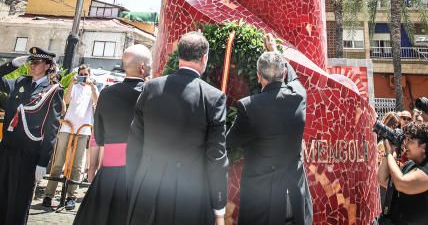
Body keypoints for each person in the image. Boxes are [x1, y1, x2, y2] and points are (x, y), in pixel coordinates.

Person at [126, 31, 228, 225]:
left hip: (146, 192)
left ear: (179, 54)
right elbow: (216, 156)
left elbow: (134, 143)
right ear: (204, 58)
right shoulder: (213, 98)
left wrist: (133, 186)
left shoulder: (150, 88)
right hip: (189, 199)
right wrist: (219, 209)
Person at [227, 33, 312, 225]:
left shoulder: (248, 107)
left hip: (260, 204)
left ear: (258, 77)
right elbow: (294, 77)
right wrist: (274, 51)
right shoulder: (299, 95)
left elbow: (229, 142)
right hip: (294, 199)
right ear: (283, 74)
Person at [74, 44, 152, 225]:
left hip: (108, 174)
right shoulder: (151, 94)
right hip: (140, 175)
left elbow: (99, 136)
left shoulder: (106, 93)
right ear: (142, 67)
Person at [0, 47, 63, 225]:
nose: (32, 66)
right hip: (6, 149)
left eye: (37, 62)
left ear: (48, 66)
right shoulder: (20, 82)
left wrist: (43, 162)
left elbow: (52, 128)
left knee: (18, 201)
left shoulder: (53, 90)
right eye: (31, 62)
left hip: (27, 155)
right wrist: (12, 64)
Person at [43, 63, 98, 210]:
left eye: (86, 74)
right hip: (67, 126)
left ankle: (71, 197)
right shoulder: (74, 87)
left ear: (89, 75)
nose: (83, 77)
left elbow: (96, 101)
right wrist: (72, 85)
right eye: (81, 74)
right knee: (58, 161)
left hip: (83, 129)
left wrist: (92, 85)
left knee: (77, 164)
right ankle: (49, 195)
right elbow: (66, 101)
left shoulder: (91, 88)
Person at [377, 122, 428, 225]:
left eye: (410, 140)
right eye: (405, 139)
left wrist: (389, 154)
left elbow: (401, 184)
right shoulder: (410, 165)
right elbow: (382, 179)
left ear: (424, 146)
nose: (405, 144)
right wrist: (390, 151)